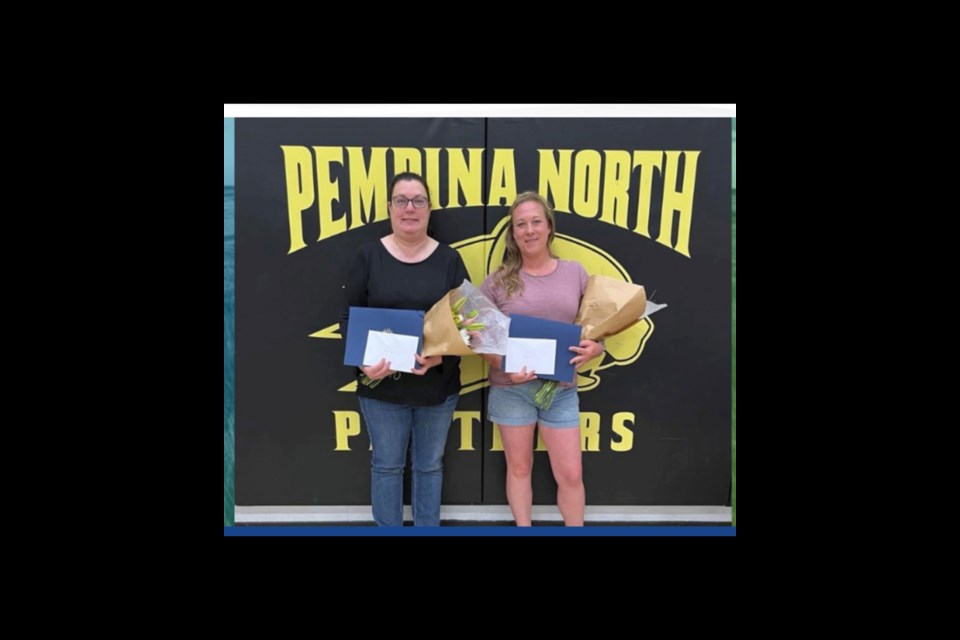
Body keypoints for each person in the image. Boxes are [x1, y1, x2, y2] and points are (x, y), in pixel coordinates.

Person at [342, 172, 468, 526]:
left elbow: (468, 327)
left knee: (429, 467)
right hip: (382, 388)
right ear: (389, 207)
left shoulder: (449, 260)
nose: (410, 208)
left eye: (418, 201)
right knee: (386, 467)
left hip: (437, 387)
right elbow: (348, 317)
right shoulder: (367, 256)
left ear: (429, 209)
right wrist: (363, 363)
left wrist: (442, 355)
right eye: (402, 200)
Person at [479, 192, 604, 526]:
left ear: (549, 227)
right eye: (521, 224)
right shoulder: (496, 282)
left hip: (561, 389)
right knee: (519, 469)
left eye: (536, 222)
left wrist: (597, 347)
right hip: (512, 390)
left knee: (571, 474)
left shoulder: (575, 273)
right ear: (513, 233)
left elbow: (595, 323)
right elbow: (480, 340)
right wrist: (505, 365)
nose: (529, 230)